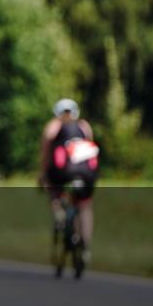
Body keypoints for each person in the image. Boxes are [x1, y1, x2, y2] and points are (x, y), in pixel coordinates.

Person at [39, 98, 97, 264]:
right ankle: (85, 244)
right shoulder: (84, 126)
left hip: (61, 172)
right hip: (86, 173)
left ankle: (58, 210)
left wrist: (43, 174)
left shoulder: (54, 126)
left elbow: (46, 153)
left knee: (55, 192)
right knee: (85, 206)